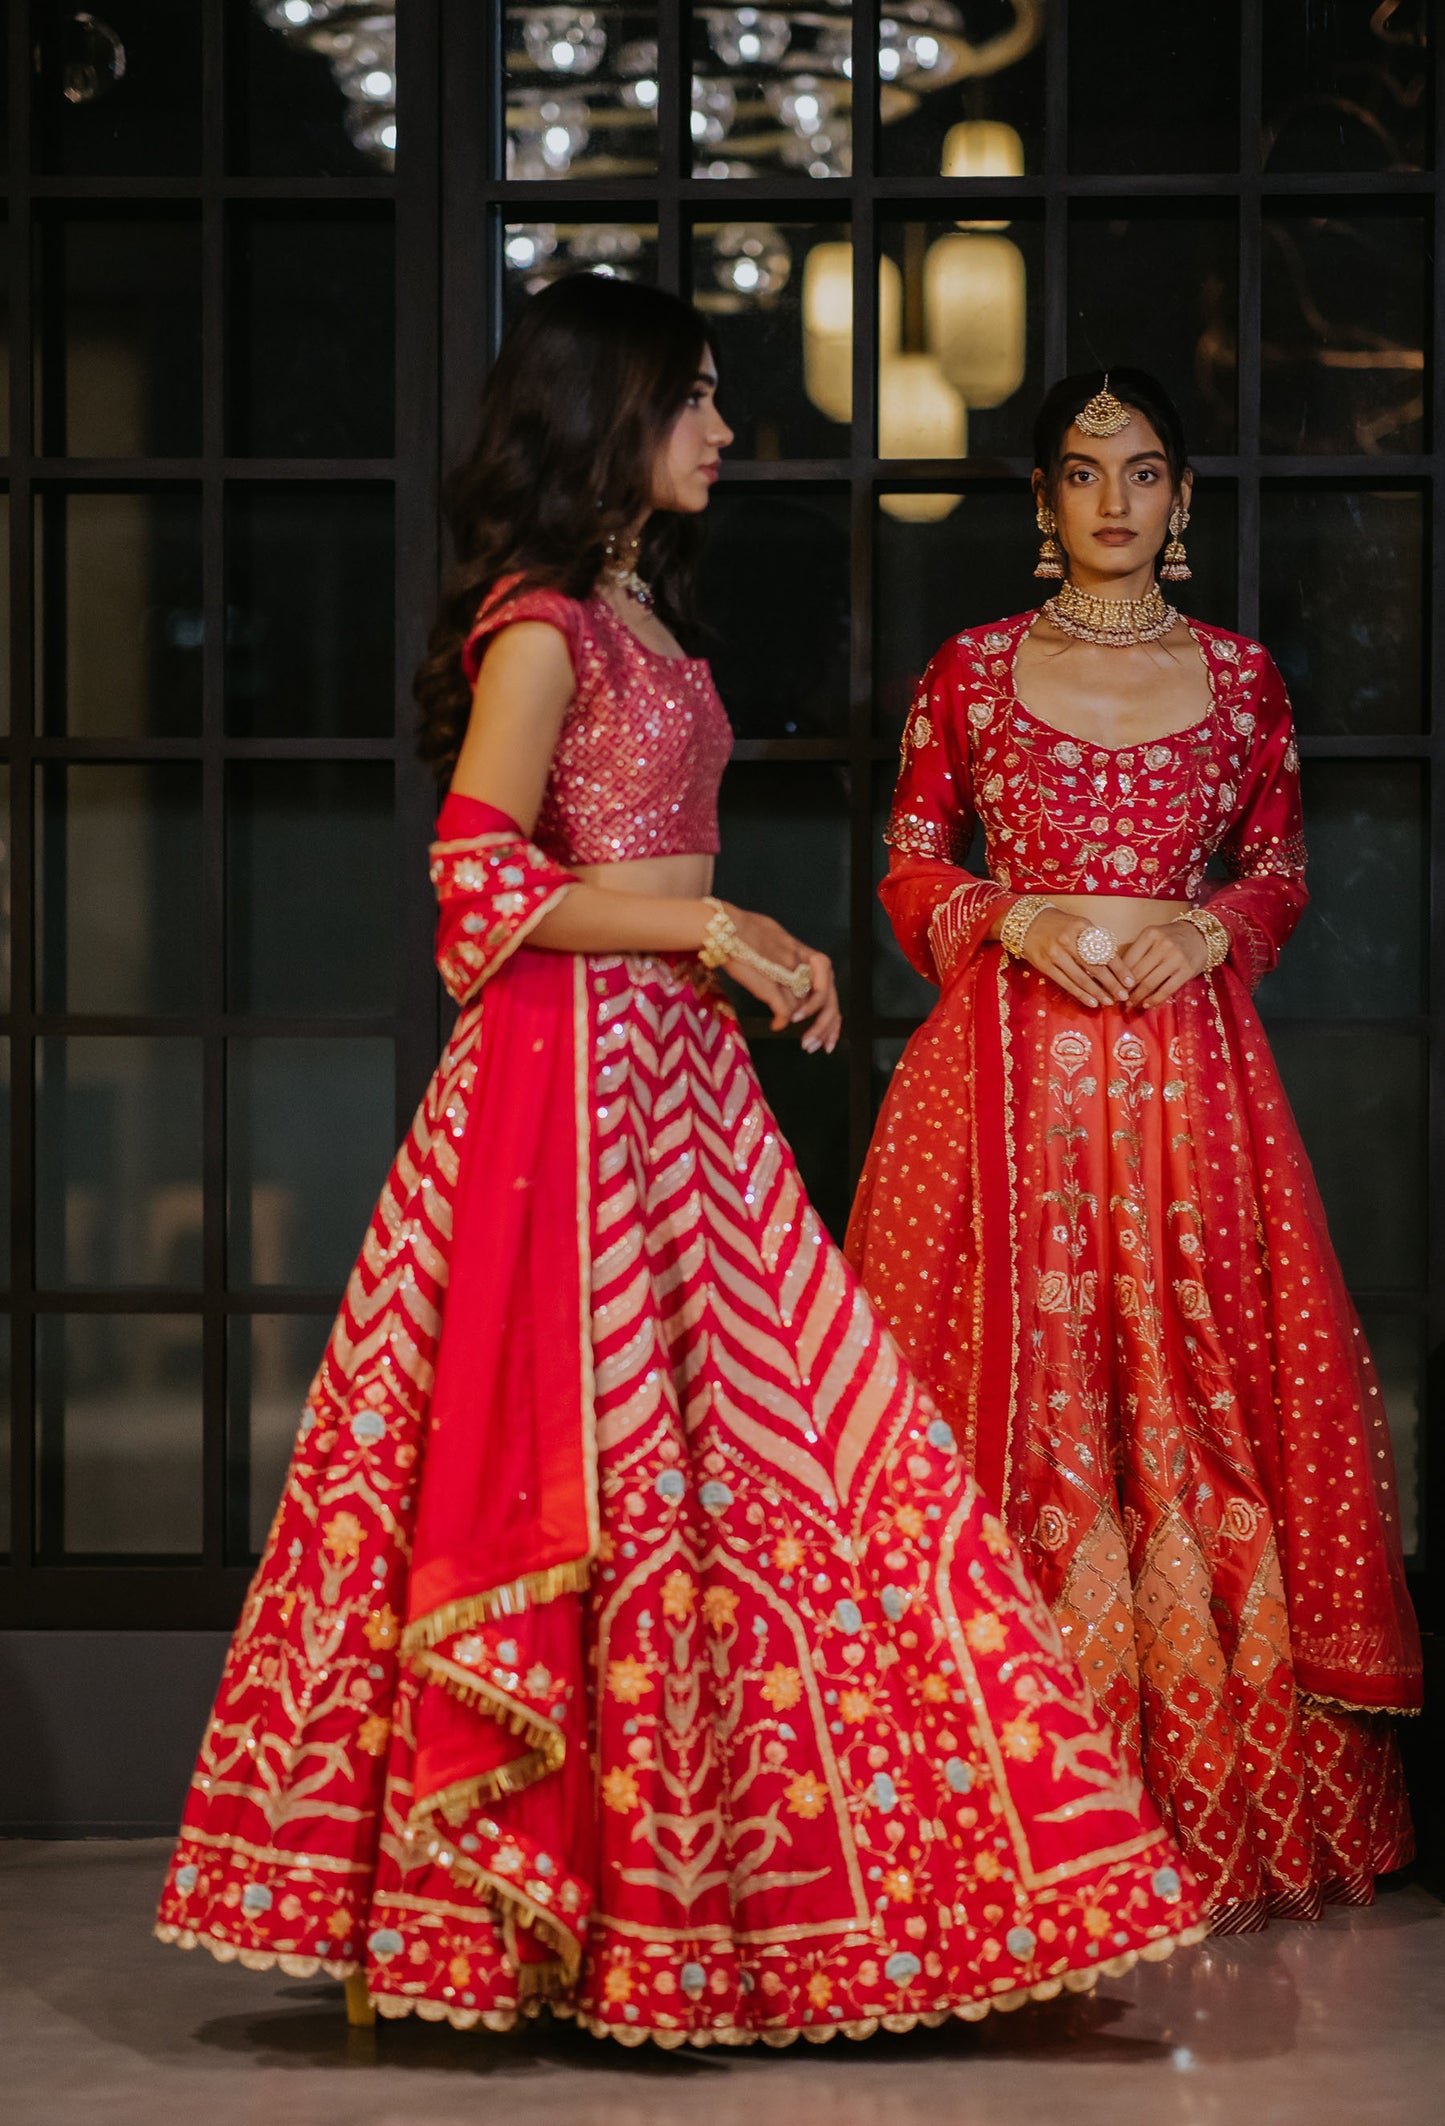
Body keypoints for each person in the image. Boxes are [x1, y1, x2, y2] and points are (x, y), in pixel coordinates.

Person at [155, 294, 1199, 2044]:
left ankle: (766, 1899)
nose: (723, 430)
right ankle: (569, 1914)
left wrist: (729, 948)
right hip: (566, 1108)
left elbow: (634, 863)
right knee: (601, 1482)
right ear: (610, 416)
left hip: (675, 1080)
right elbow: (474, 887)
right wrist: (709, 918)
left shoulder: (641, 613)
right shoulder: (544, 627)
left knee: (790, 1465)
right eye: (695, 401)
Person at [846, 368, 1422, 1932]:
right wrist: (1002, 911)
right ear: (1039, 503)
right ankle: (1000, 1786)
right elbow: (909, 861)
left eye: (1146, 472)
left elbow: (1282, 871)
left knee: (1199, 1389)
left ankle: (1190, 1781)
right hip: (1003, 1082)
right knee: (995, 1389)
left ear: (1179, 499)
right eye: (1084, 473)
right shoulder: (968, 671)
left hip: (1184, 1087)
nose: (1115, 500)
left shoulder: (1240, 683)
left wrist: (1210, 927)